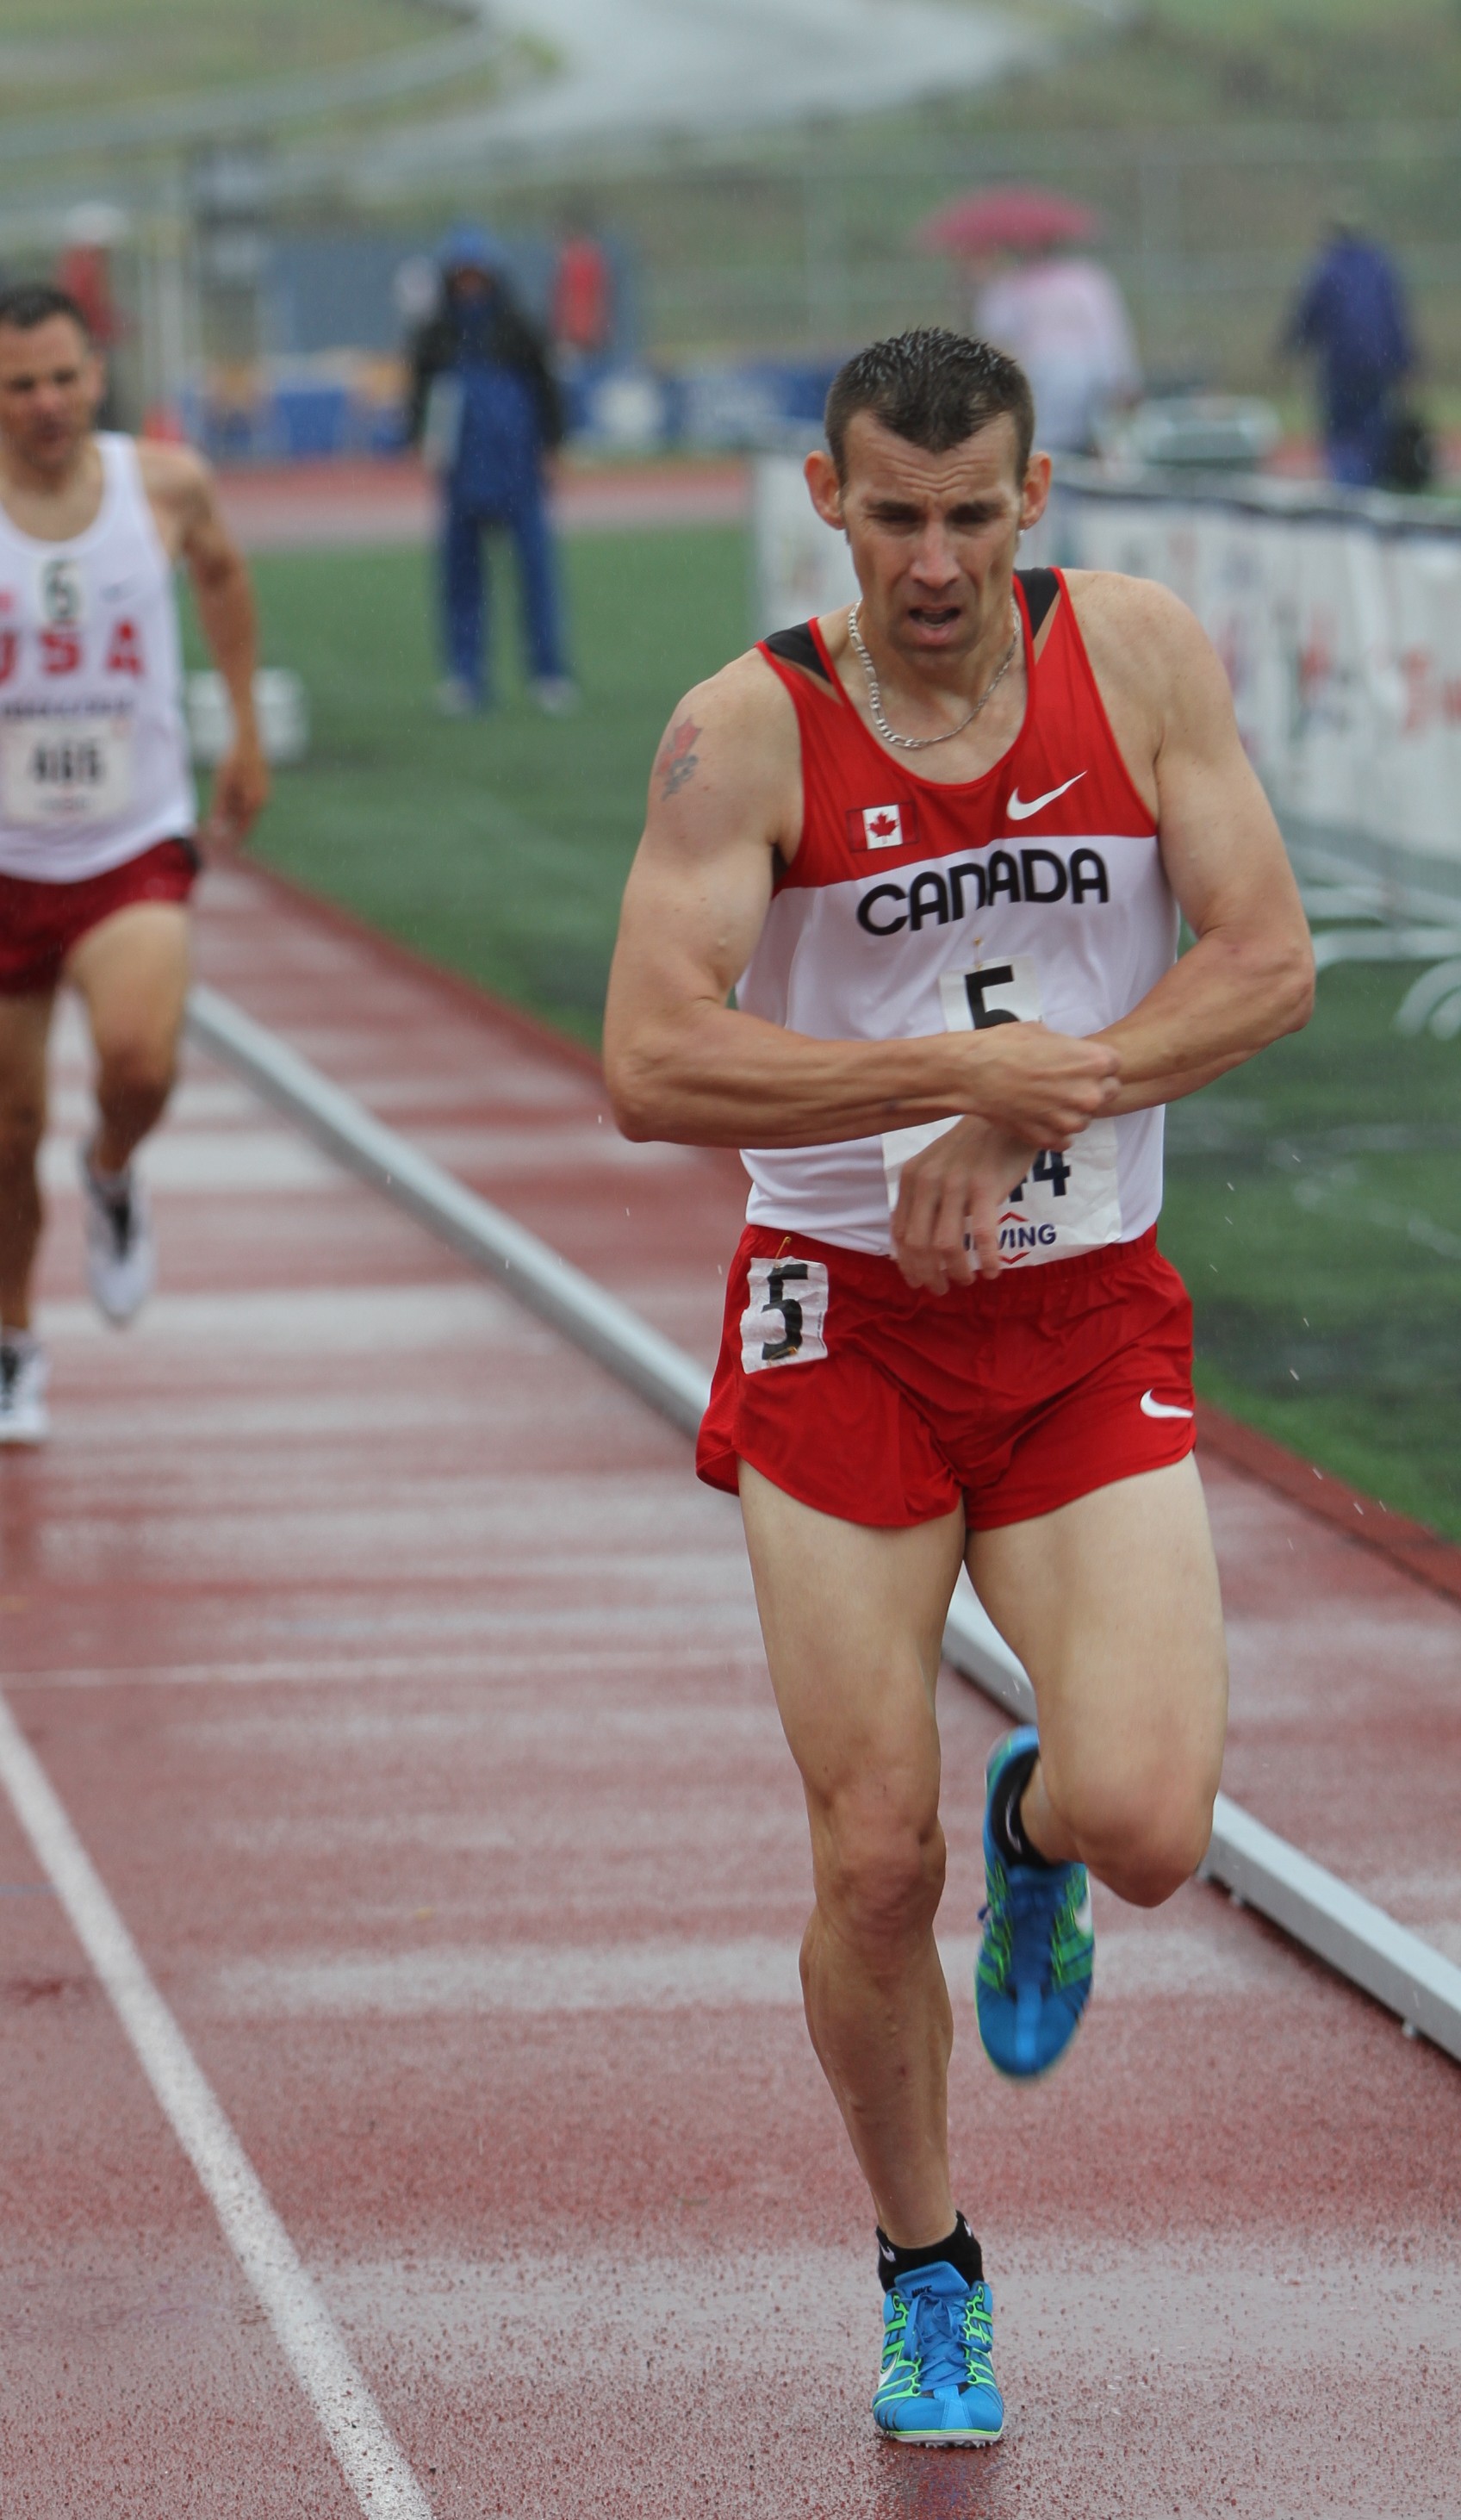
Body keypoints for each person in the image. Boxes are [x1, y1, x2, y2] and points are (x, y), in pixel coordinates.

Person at [604, 328, 1312, 2447]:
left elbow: (1262, 958)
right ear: (826, 497)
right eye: (893, 515)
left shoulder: (1139, 656)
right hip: (842, 1322)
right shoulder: (747, 729)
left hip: (1081, 1313)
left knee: (1148, 1822)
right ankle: (929, 2265)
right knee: (868, 1856)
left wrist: (1025, 1106)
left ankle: (1040, 1824)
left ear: (1035, 497)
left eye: (971, 514)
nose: (932, 560)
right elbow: (650, 1055)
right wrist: (934, 1070)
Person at [0, 283, 268, 1444]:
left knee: (139, 1060)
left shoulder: (162, 484)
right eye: (19, 385)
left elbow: (222, 571)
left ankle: (111, 1169)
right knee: (7, 1131)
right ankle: (13, 1341)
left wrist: (244, 725)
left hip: (126, 842)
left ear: (95, 376)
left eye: (63, 378)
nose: (45, 403)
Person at [407, 226, 575, 719]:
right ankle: (465, 677)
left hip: (517, 469)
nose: (470, 284)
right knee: (461, 580)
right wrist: (420, 442)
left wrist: (552, 446)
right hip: (462, 473)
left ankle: (548, 673)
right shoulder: (435, 334)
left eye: (477, 275)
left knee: (536, 575)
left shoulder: (519, 327)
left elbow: (547, 388)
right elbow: (419, 399)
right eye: (462, 276)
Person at [1283, 213, 1415, 489]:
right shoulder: (1379, 266)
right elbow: (1395, 319)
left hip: (1341, 365)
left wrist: (1289, 347)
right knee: (1372, 427)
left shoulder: (1328, 269)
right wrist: (1405, 362)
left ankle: (1348, 487)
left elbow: (1308, 315)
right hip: (1379, 363)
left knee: (1341, 429)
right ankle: (1369, 483)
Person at [973, 248, 1139, 455]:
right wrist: (1121, 378)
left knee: (1049, 443)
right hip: (1066, 378)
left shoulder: (1014, 285)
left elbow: (994, 329)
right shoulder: (1084, 279)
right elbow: (1108, 336)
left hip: (1050, 380)